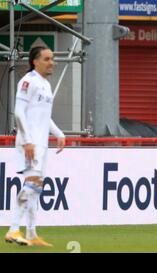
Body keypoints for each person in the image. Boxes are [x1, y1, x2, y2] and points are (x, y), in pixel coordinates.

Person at [4, 46, 65, 246]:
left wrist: (59, 133)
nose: (51, 63)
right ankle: (13, 229)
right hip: (28, 142)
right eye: (47, 59)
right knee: (32, 183)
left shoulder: (45, 85)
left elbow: (44, 115)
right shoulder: (28, 81)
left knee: (36, 186)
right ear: (35, 62)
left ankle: (31, 233)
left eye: (52, 58)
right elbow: (19, 112)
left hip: (41, 143)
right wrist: (27, 140)